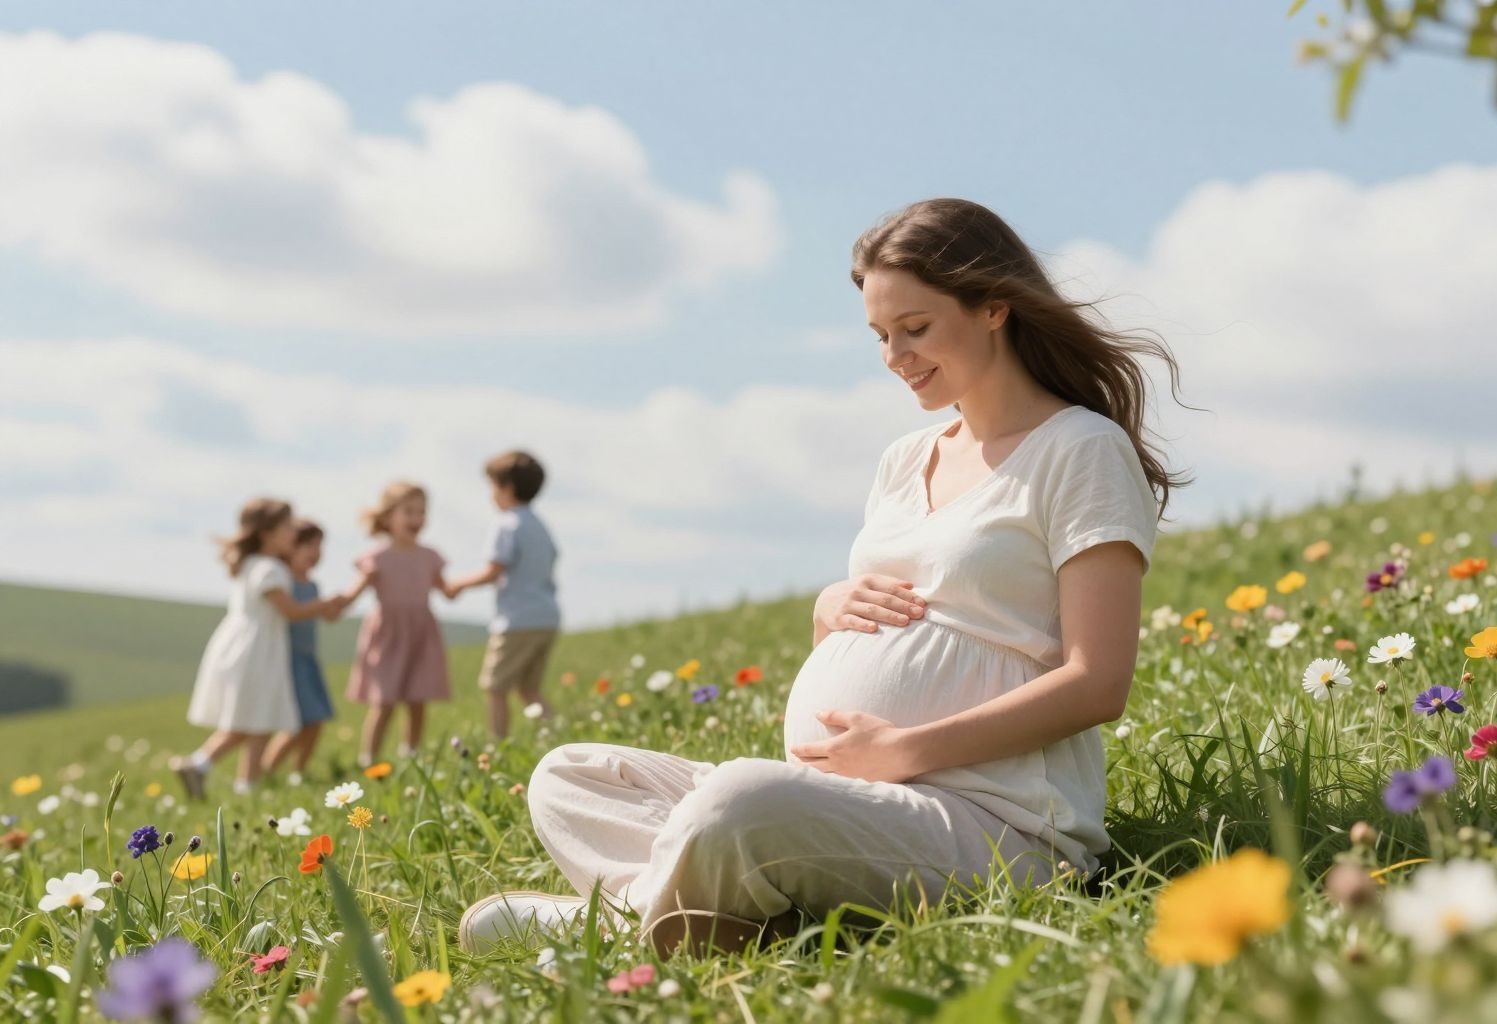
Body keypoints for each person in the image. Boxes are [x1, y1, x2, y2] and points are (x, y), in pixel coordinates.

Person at [459, 197, 1187, 957]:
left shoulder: (1079, 449)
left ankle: (615, 930)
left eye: (915, 328)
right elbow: (871, 638)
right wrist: (828, 610)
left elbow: (1098, 683)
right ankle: (731, 914)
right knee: (569, 774)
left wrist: (909, 749)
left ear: (993, 308)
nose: (895, 356)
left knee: (740, 800)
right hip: (857, 795)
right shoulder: (905, 459)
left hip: (995, 824)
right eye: (880, 335)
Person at [174, 499, 342, 799]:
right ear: (267, 533)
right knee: (258, 719)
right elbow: (291, 611)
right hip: (256, 649)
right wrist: (324, 604)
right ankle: (237, 780)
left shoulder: (252, 564)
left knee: (254, 720)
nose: (293, 532)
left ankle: (213, 771)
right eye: (287, 527)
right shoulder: (270, 569)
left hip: (247, 645)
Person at [445, 450, 561, 741]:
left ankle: (498, 745)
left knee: (495, 688)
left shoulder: (506, 523)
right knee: (529, 689)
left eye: (492, 486)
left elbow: (493, 571)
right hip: (547, 617)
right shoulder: (540, 525)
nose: (490, 494)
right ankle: (559, 738)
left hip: (517, 619)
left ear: (506, 488)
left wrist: (457, 584)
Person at [336, 481, 454, 767]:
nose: (417, 518)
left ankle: (411, 754)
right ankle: (369, 759)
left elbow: (447, 590)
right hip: (388, 634)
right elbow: (353, 593)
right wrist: (332, 605)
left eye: (421, 512)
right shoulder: (377, 558)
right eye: (409, 511)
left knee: (418, 698)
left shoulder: (429, 556)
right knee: (384, 699)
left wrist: (489, 575)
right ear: (389, 516)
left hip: (421, 632)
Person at [262, 519, 340, 784]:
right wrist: (323, 604)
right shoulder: (283, 583)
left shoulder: (312, 585)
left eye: (319, 546)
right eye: (308, 545)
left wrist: (340, 600)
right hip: (288, 660)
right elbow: (294, 613)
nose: (315, 552)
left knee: (315, 721)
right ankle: (267, 771)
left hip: (309, 660)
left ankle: (299, 772)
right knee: (296, 723)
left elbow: (328, 614)